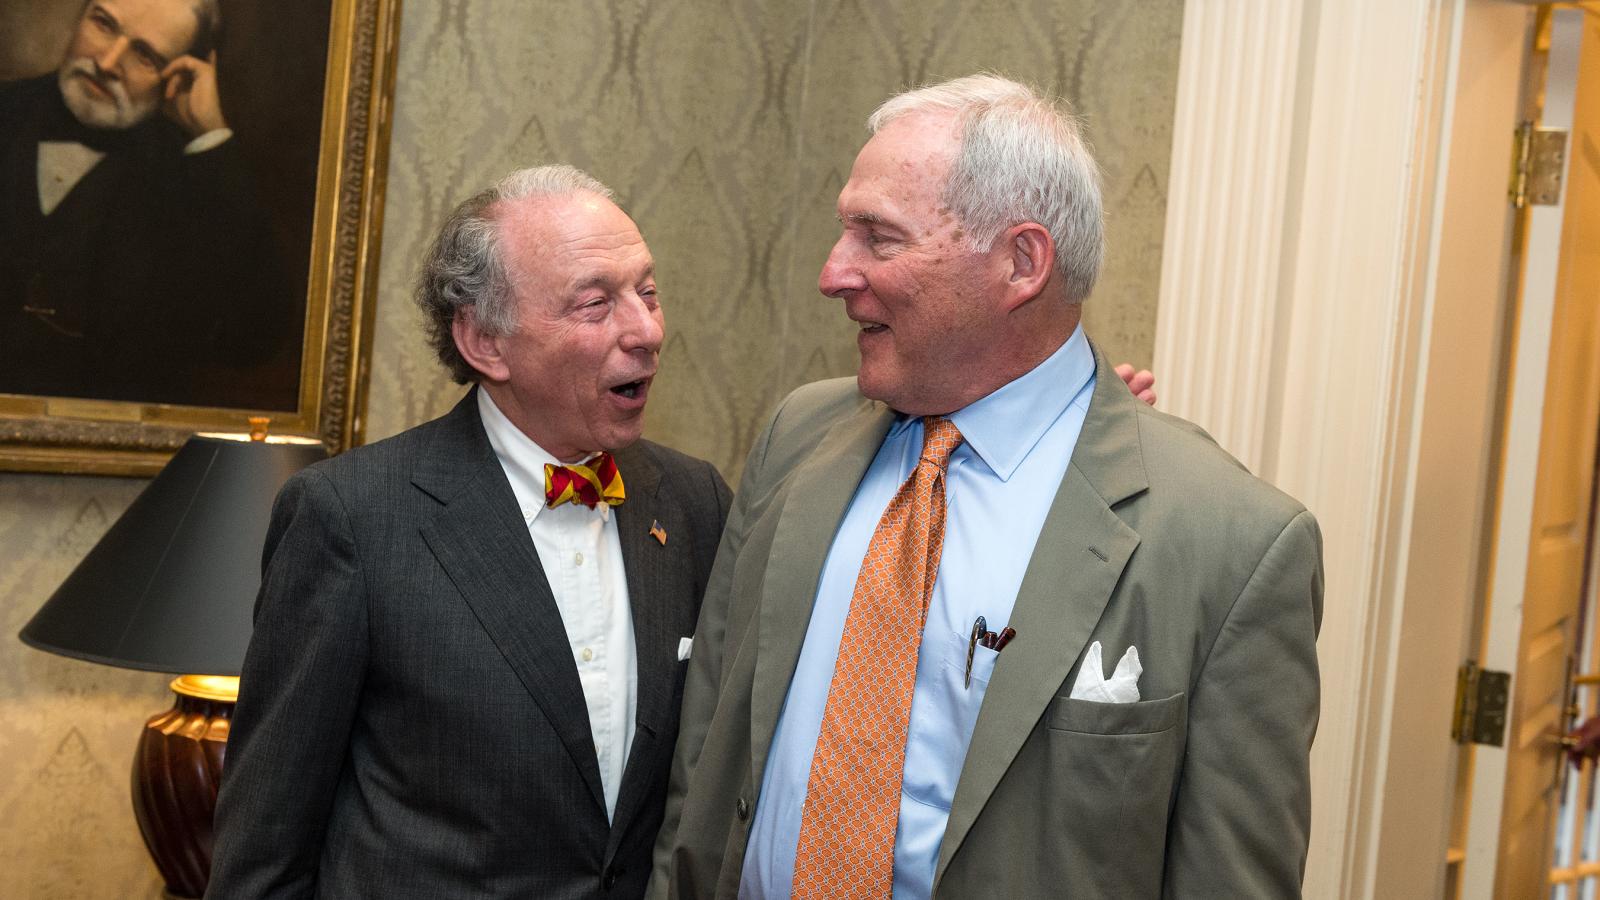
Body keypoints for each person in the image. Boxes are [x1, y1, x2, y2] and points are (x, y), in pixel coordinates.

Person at [652, 74, 1324, 898]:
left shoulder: (1233, 543)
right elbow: (706, 761)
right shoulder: (800, 437)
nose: (833, 273)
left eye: (879, 238)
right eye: (843, 232)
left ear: (1022, 262)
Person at [207, 166, 733, 898]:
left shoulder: (693, 503)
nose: (645, 331)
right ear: (486, 341)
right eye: (595, 303)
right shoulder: (351, 518)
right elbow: (265, 846)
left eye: (647, 292)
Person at [0, 0, 294, 408]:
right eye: (103, 24)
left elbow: (255, 337)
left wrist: (212, 137)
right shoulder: (7, 111)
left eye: (145, 54)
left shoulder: (197, 179)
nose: (107, 62)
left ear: (181, 74)